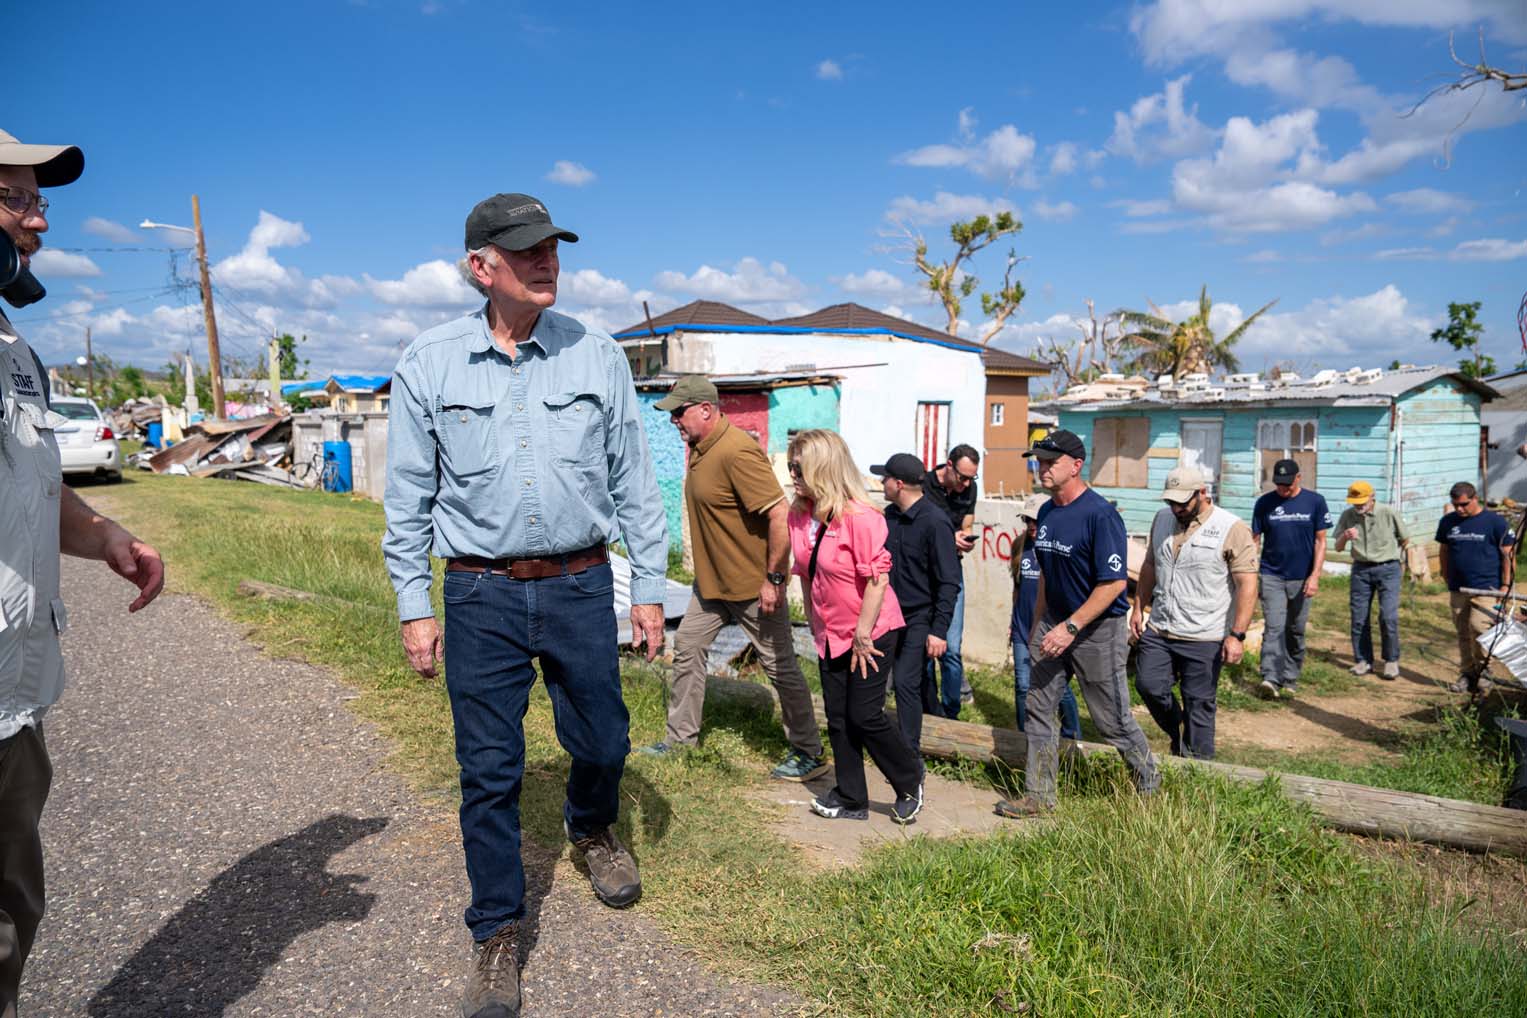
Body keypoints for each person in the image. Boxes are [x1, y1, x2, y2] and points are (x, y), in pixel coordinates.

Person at [382, 192, 668, 1018]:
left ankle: (592, 827)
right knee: (489, 770)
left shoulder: (597, 354)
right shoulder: (429, 362)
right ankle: (497, 932)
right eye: (527, 249)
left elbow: (633, 482)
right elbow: (407, 497)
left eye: (552, 247)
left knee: (604, 738)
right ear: (482, 266)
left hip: (582, 585)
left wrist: (646, 587)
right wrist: (413, 603)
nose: (547, 261)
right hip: (478, 592)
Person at [0, 128, 166, 1018]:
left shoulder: (17, 350)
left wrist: (102, 535)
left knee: (15, 912)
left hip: (13, 692)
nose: (39, 223)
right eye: (17, 201)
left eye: (40, 201)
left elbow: (33, 482)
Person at [640, 374, 825, 779]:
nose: (674, 420)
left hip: (752, 587)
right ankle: (679, 741)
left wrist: (774, 579)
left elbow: (779, 515)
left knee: (780, 667)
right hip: (711, 586)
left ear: (706, 409)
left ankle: (810, 751)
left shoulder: (737, 450)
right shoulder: (702, 448)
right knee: (687, 648)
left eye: (680, 412)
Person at [994, 429, 1159, 818]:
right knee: (1038, 707)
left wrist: (1070, 628)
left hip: (1096, 629)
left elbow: (1114, 584)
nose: (1042, 468)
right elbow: (1048, 575)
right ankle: (1039, 796)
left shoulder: (1101, 516)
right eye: (1039, 461)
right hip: (1053, 624)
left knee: (1111, 719)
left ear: (1076, 465)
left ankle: (1149, 784)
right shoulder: (1048, 512)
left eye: (1051, 462)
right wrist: (1039, 626)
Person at [787, 430, 923, 825]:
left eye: (800, 466)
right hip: (830, 630)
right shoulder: (799, 514)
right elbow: (805, 572)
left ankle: (910, 778)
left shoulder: (861, 518)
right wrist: (815, 622)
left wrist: (863, 634)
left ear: (822, 468)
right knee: (838, 716)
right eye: (791, 465)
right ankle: (851, 796)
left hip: (872, 629)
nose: (793, 473)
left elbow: (878, 581)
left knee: (865, 715)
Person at [1130, 465, 1257, 760]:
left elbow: (1247, 583)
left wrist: (1237, 635)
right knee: (1148, 685)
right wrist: (1138, 608)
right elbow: (1149, 565)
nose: (1175, 508)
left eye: (1182, 502)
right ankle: (1179, 729)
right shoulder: (1162, 518)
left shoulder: (1231, 527)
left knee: (1199, 702)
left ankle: (1198, 771)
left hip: (1205, 635)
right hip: (1161, 627)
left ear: (1202, 493)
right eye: (1170, 501)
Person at [875, 452, 960, 759]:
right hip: (884, 616)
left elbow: (949, 581)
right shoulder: (888, 516)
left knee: (907, 682)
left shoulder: (935, 522)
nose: (881, 482)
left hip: (917, 617)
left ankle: (909, 758)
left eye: (885, 478)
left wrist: (939, 630)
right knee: (881, 682)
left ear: (898, 484)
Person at [1250, 459, 1331, 700]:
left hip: (1302, 577)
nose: (1282, 489)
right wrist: (1250, 573)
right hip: (1271, 574)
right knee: (1274, 627)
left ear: (1298, 478)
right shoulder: (1265, 503)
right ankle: (1270, 678)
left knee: (1294, 629)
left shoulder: (1315, 502)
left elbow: (1320, 541)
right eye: (1278, 484)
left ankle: (1290, 677)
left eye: (1287, 484)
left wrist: (1315, 575)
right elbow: (1255, 539)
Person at [1010, 493, 1082, 742]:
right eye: (1027, 520)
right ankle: (1023, 738)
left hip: (1049, 628)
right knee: (1022, 686)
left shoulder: (1058, 546)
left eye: (1036, 520)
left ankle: (1071, 735)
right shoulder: (1019, 546)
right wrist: (1012, 624)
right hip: (1022, 628)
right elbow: (1017, 588)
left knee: (1057, 687)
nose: (1031, 526)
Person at [1435, 481, 1516, 695]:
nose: (1459, 509)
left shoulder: (1495, 522)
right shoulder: (1448, 522)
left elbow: (1508, 555)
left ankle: (1484, 671)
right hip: (1459, 588)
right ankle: (1467, 674)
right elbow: (1444, 549)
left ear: (1475, 498)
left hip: (1487, 588)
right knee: (1462, 632)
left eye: (1463, 504)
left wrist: (1505, 585)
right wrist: (1445, 574)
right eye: (1455, 505)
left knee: (1480, 629)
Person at [922, 443, 980, 717]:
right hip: (923, 575)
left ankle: (951, 712)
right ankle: (928, 708)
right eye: (963, 477)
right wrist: (947, 538)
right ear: (948, 466)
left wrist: (963, 539)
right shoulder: (923, 485)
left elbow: (967, 525)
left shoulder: (969, 489)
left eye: (972, 478)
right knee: (925, 647)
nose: (966, 483)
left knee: (951, 649)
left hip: (951, 572)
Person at [1335, 481, 1409, 680]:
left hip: (1388, 569)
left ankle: (1391, 660)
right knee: (1359, 617)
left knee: (1388, 616)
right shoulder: (1348, 516)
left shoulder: (1387, 512)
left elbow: (1405, 538)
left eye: (1362, 502)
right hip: (1361, 570)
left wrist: (1392, 555)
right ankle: (1363, 660)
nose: (1358, 506)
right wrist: (1345, 536)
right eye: (1355, 502)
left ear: (1372, 498)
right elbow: (1339, 547)